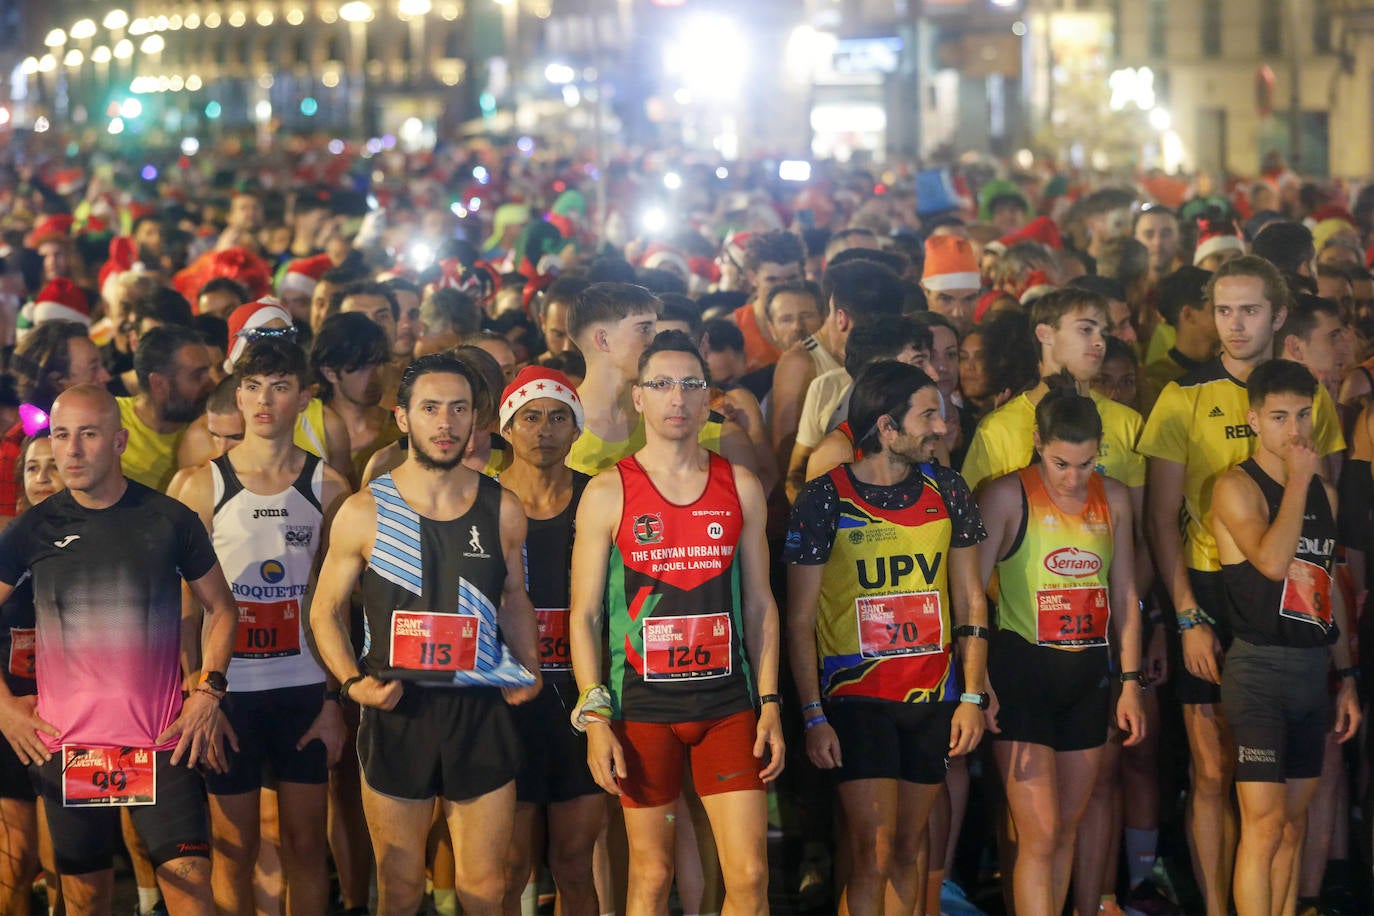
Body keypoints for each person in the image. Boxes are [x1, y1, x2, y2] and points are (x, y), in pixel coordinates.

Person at [1138, 255, 1345, 916]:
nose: (1234, 323)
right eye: (1224, 309)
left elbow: (1322, 529)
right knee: (1211, 769)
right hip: (1207, 583)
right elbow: (1160, 519)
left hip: (1287, 605)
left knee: (1280, 792)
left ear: (1277, 314)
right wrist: (1188, 614)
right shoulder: (1182, 396)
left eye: (1249, 310)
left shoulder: (1307, 398)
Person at [307, 353, 542, 916]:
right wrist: (352, 684)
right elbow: (324, 611)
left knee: (487, 886)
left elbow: (514, 597)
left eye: (458, 409)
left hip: (479, 710)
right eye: (431, 408)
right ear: (403, 417)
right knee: (402, 885)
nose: (446, 422)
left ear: (475, 419)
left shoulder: (502, 508)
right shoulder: (365, 511)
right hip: (398, 711)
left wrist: (528, 667)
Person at [0, 385, 239, 914]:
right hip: (69, 748)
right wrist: (3, 709)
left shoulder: (170, 520)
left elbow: (223, 610)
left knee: (192, 891)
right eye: (61, 435)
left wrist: (208, 693)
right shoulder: (33, 528)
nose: (72, 450)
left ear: (120, 440)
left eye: (88, 434)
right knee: (87, 902)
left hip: (160, 743)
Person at [568, 330, 783, 915]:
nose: (677, 398)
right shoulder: (609, 491)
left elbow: (761, 603)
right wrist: (594, 716)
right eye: (661, 384)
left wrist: (770, 702)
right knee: (652, 875)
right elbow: (583, 615)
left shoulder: (738, 486)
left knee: (749, 874)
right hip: (642, 709)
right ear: (638, 398)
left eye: (691, 384)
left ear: (708, 395)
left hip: (728, 705)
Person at [785, 360, 990, 915]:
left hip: (932, 694)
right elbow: (799, 619)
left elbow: (972, 600)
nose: (942, 428)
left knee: (909, 846)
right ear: (887, 427)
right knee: (871, 849)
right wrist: (811, 714)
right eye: (928, 415)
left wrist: (973, 693)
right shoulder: (825, 497)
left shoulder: (948, 488)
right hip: (856, 698)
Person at [176, 339, 351, 915]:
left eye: (279, 386)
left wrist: (332, 697)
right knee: (235, 849)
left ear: (303, 397)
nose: (263, 400)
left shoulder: (330, 488)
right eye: (252, 387)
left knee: (307, 846)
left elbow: (337, 607)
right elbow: (185, 611)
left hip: (303, 689)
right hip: (229, 693)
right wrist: (194, 693)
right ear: (238, 393)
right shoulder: (200, 486)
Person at [976, 386, 1146, 916]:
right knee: (1041, 834)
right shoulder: (1006, 495)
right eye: (1060, 463)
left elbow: (1125, 594)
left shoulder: (1113, 497)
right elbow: (969, 595)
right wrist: (974, 681)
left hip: (1088, 676)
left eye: (1085, 463)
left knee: (1066, 830)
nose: (1073, 478)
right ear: (1036, 443)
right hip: (1021, 673)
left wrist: (1131, 682)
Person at [1209, 359, 1360, 916]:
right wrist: (1298, 480)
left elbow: (1329, 590)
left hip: (1310, 669)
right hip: (1258, 670)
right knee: (1264, 824)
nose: (1294, 430)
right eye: (1279, 417)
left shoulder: (1324, 492)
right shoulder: (1235, 486)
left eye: (1303, 414)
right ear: (1254, 420)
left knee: (1292, 827)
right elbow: (1272, 562)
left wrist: (1345, 676)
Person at [495, 365, 604, 916]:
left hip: (579, 702)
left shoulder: (598, 501)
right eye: (530, 417)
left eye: (558, 417)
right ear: (507, 428)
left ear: (576, 428)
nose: (544, 430)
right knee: (509, 868)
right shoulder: (480, 502)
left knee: (573, 863)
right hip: (504, 705)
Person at [564, 282, 762, 484]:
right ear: (603, 340)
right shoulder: (553, 428)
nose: (657, 339)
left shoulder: (715, 432)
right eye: (645, 329)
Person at [0, 435, 63, 912]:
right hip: (13, 721)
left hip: (74, 720)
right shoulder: (9, 543)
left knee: (66, 857)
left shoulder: (107, 543)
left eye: (53, 466)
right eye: (32, 468)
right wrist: (6, 711)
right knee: (16, 859)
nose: (42, 476)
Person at [118, 324, 216, 491]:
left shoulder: (216, 434)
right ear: (159, 384)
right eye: (198, 375)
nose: (211, 383)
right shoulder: (107, 419)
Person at [730, 230, 807, 369]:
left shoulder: (822, 321)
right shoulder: (733, 328)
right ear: (752, 278)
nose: (783, 288)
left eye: (792, 279)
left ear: (803, 275)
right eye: (772, 280)